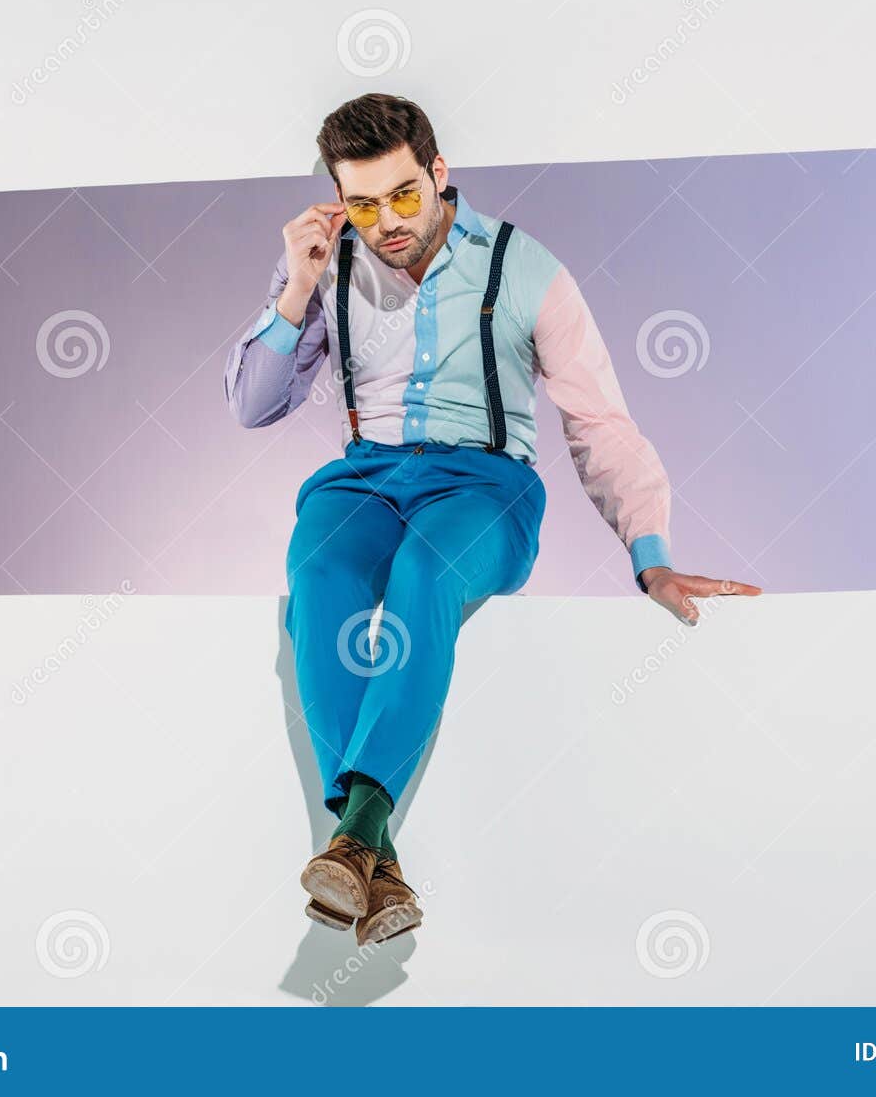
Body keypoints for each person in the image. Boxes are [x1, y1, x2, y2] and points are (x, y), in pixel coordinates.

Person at [223, 93, 761, 946]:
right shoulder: (329, 267)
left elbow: (598, 422)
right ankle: (375, 856)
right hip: (363, 478)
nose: (387, 222)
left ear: (440, 173)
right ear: (338, 200)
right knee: (318, 575)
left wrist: (649, 552)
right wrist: (295, 283)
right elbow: (253, 407)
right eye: (362, 204)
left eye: (403, 194)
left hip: (484, 485)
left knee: (423, 574)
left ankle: (356, 833)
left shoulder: (528, 269)